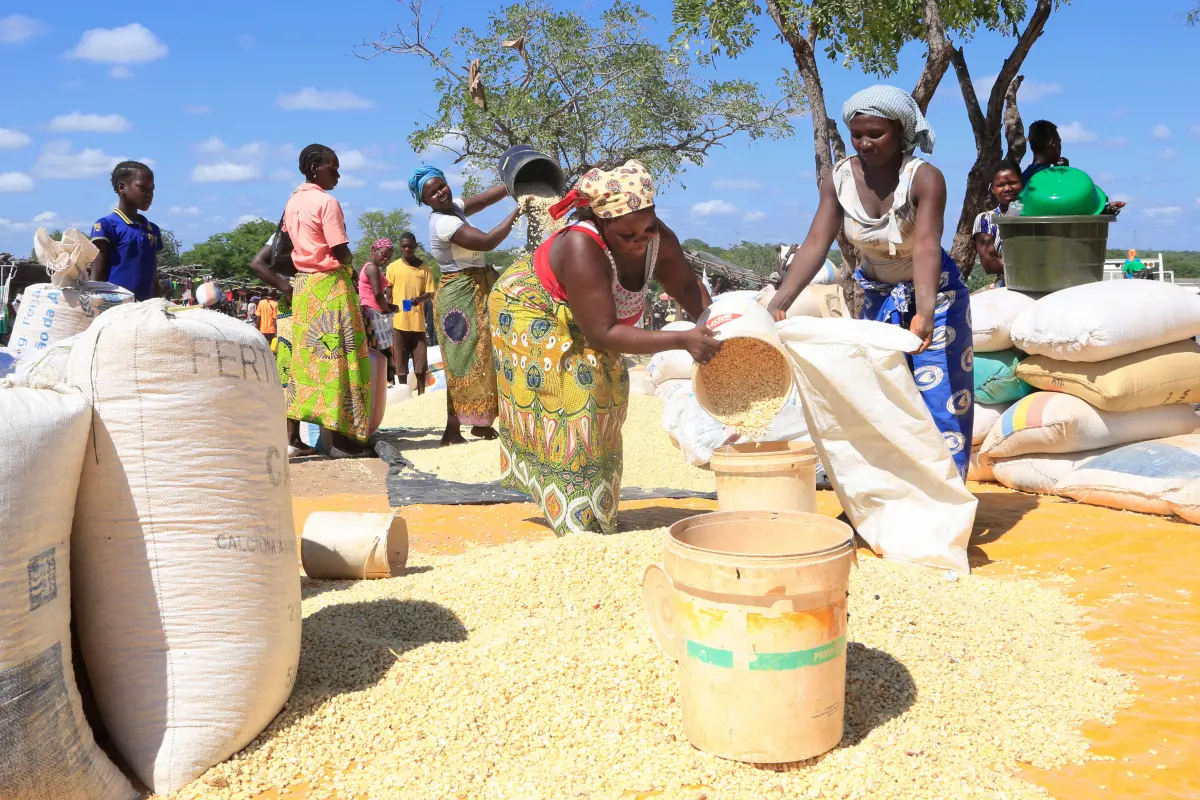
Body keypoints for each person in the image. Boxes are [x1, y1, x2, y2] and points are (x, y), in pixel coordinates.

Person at [489, 160, 719, 535]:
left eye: (646, 228)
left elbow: (687, 289)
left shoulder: (658, 238)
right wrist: (682, 339)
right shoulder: (581, 245)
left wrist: (715, 322)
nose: (640, 240)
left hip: (592, 320)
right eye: (626, 235)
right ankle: (572, 518)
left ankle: (598, 512)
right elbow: (601, 333)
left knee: (610, 396)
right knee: (575, 397)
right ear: (602, 223)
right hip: (529, 308)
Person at [767, 85, 974, 480]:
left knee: (939, 399)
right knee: (880, 399)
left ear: (900, 132)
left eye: (875, 134)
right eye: (857, 134)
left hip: (937, 298)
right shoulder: (839, 178)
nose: (864, 143)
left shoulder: (924, 179)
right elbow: (816, 241)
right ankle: (886, 497)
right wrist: (782, 299)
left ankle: (946, 502)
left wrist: (926, 312)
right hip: (879, 299)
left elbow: (928, 246)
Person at [254, 144, 371, 457]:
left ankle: (320, 439)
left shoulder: (292, 203)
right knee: (341, 361)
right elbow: (340, 250)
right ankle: (343, 442)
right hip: (331, 287)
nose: (337, 173)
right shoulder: (327, 202)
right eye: (333, 167)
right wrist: (351, 266)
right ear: (314, 168)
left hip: (305, 290)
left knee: (312, 366)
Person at [410, 165, 521, 446]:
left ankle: (482, 424)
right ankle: (451, 431)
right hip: (459, 295)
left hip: (477, 287)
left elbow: (484, 199)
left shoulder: (454, 209)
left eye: (441, 186)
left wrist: (517, 185)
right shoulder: (443, 223)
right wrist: (517, 213)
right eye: (432, 193)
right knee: (462, 360)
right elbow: (486, 241)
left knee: (487, 354)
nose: (440, 193)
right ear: (425, 201)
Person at [89, 161, 163, 300]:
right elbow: (98, 276)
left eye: (152, 189)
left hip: (146, 308)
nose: (149, 194)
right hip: (116, 308)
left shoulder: (153, 230)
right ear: (121, 187)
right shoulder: (106, 226)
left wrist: (160, 302)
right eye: (143, 187)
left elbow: (153, 276)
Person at [386, 232, 435, 394]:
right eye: (404, 246)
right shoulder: (393, 267)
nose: (407, 249)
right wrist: (388, 308)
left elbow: (429, 293)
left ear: (415, 245)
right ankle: (403, 392)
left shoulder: (424, 267)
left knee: (420, 359)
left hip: (418, 322)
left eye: (410, 245)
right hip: (399, 321)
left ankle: (422, 393)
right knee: (400, 360)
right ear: (400, 247)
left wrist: (419, 299)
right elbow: (389, 292)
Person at [972, 160, 1024, 288]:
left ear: (1022, 183)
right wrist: (1032, 268)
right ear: (993, 189)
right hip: (1007, 286)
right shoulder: (986, 220)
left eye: (1013, 182)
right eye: (1001, 185)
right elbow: (989, 264)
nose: (1007, 188)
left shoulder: (1037, 214)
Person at [358, 238, 399, 381]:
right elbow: (377, 294)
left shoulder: (371, 268)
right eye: (383, 254)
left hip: (373, 312)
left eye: (389, 257)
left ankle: (381, 384)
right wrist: (388, 309)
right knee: (381, 351)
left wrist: (389, 307)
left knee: (380, 351)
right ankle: (383, 384)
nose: (386, 259)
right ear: (373, 251)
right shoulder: (372, 268)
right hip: (373, 313)